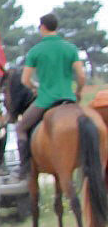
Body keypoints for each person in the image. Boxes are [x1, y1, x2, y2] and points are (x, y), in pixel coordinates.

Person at [17, 12, 85, 162]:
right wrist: (78, 92)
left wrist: (35, 87)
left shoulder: (35, 51)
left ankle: (24, 167)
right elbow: (81, 76)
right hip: (69, 98)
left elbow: (25, 80)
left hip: (45, 100)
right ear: (56, 27)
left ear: (42, 27)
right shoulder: (70, 48)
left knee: (20, 128)